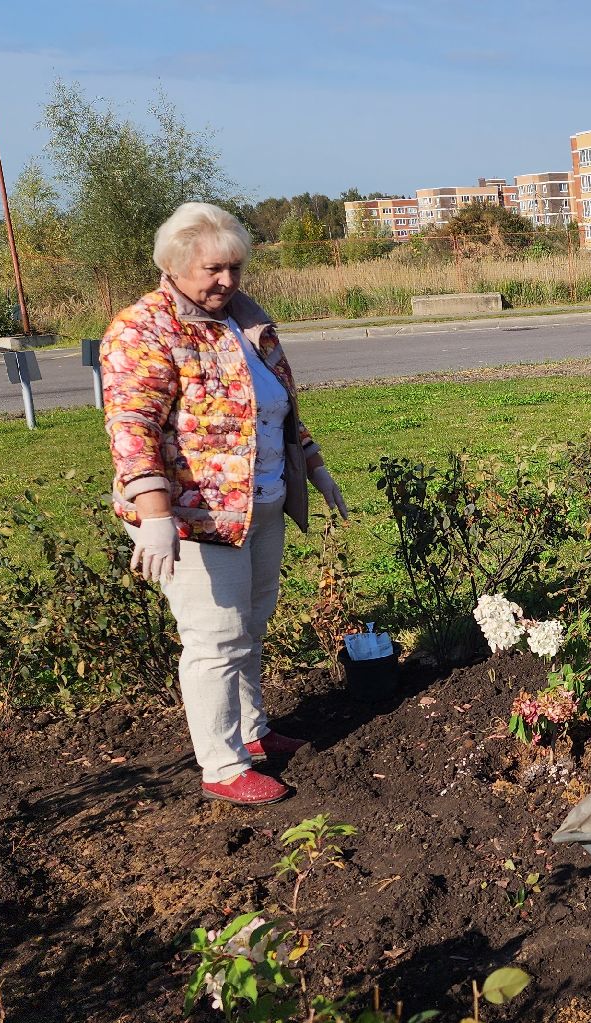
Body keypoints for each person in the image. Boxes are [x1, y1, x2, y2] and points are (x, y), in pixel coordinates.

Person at [101, 202, 351, 807]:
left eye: (235, 267)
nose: (227, 281)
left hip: (260, 503)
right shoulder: (143, 329)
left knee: (250, 627)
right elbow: (132, 428)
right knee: (215, 639)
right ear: (174, 265)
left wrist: (313, 466)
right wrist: (155, 515)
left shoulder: (245, 319)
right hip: (194, 519)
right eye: (213, 269)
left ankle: (251, 730)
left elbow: (275, 406)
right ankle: (222, 763)